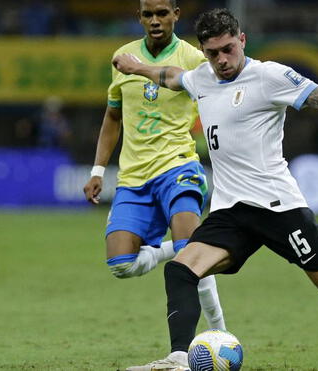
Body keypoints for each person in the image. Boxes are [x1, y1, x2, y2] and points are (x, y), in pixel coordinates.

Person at [112, 8, 318, 370]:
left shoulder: (269, 76)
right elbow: (174, 76)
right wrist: (138, 68)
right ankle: (178, 360)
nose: (222, 60)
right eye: (213, 53)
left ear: (242, 40)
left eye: (228, 49)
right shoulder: (203, 78)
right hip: (230, 212)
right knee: (181, 270)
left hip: (278, 208)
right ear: (203, 51)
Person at [82, 0, 226, 364]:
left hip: (178, 168)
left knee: (192, 255)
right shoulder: (121, 56)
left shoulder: (194, 59)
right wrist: (98, 171)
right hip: (133, 177)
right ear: (140, 18)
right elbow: (113, 117)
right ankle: (172, 248)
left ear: (176, 14)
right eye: (148, 14)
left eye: (163, 13)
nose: (155, 20)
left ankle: (217, 335)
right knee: (121, 265)